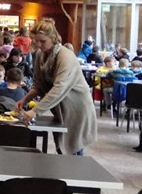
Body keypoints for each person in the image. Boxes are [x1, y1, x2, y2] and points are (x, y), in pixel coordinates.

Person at [17, 18, 97, 156]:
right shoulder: (41, 55)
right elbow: (38, 84)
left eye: (43, 41)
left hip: (77, 108)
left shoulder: (66, 56)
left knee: (74, 147)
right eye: (36, 41)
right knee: (61, 146)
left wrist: (35, 111)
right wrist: (24, 100)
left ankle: (75, 170)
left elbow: (60, 88)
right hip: (60, 107)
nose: (39, 45)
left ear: (53, 38)